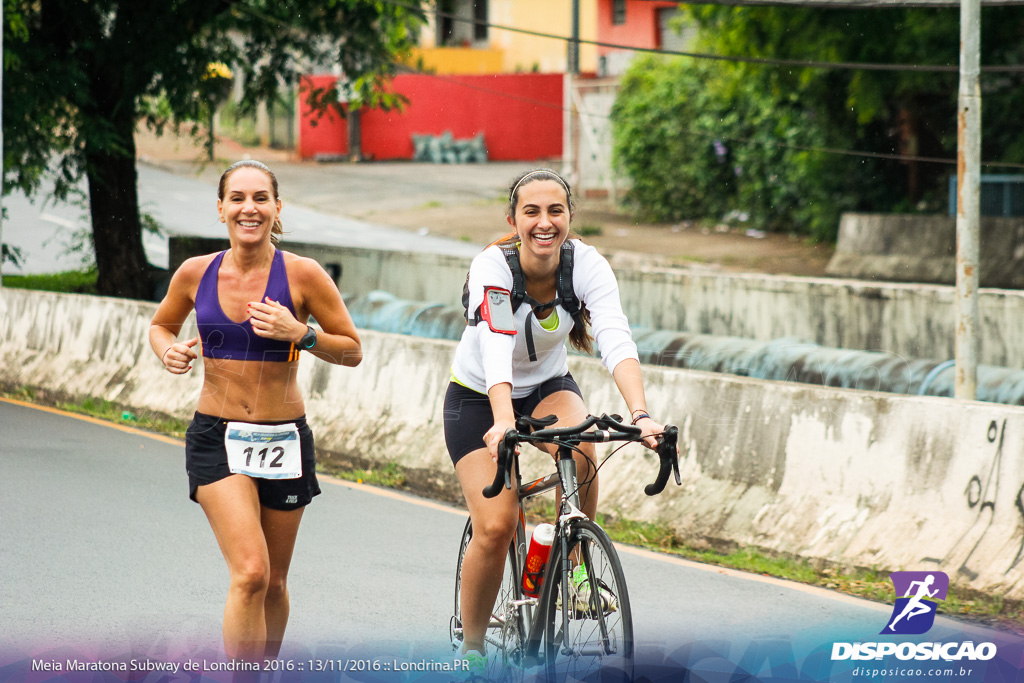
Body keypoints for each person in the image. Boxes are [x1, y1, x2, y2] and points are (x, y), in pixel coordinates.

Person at [444, 168, 667, 670]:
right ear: (513, 220)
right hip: (479, 396)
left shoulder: (586, 264)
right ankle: (473, 650)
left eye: (555, 211)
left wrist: (642, 414)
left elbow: (614, 337)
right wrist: (503, 420)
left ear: (568, 218)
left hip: (547, 387)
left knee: (583, 449)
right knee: (497, 525)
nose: (545, 223)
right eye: (532, 212)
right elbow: (497, 346)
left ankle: (573, 568)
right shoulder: (492, 266)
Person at [149, 159, 362, 664]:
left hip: (284, 439)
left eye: (261, 198)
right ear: (221, 209)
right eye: (238, 198)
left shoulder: (304, 275)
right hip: (217, 437)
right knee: (250, 573)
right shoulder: (194, 272)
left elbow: (352, 349)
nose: (250, 208)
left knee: (275, 582)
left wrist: (301, 333)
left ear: (277, 208)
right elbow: (160, 326)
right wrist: (168, 352)